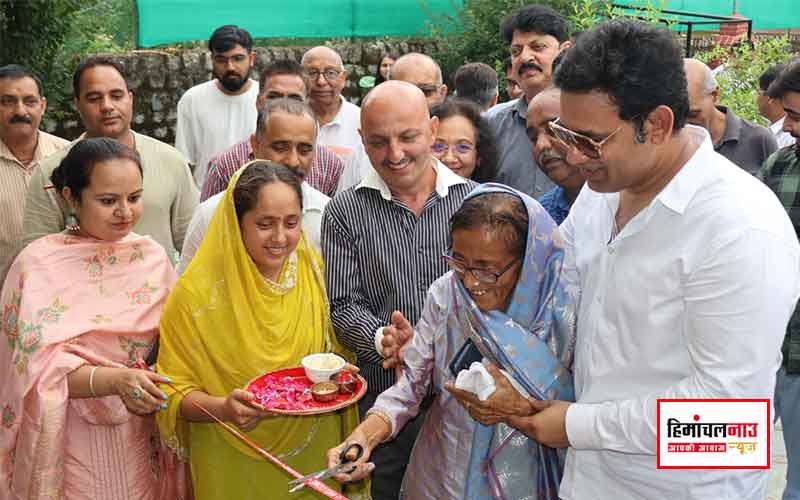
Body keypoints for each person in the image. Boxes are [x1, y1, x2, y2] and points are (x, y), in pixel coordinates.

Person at [509, 19, 799, 499]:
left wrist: (578, 425)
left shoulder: (741, 228)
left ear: (658, 125)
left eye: (591, 140)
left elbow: (729, 427)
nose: (575, 157)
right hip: (588, 481)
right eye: (568, 134)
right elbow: (551, 286)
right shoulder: (603, 192)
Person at [326, 183, 577, 499]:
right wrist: (364, 437)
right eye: (459, 262)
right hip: (444, 474)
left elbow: (586, 406)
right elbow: (410, 387)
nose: (470, 282)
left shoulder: (561, 313)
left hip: (526, 480)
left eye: (487, 270)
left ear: (528, 262)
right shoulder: (446, 294)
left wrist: (521, 408)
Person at [156, 161, 365, 500]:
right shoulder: (196, 296)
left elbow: (331, 353)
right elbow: (172, 390)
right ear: (235, 224)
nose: (281, 238)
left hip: (313, 449)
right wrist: (223, 407)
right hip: (231, 455)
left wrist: (341, 372)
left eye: (292, 223)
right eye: (265, 224)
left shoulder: (313, 272)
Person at [0, 138, 183, 499]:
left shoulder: (152, 258)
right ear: (71, 197)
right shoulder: (38, 264)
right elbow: (31, 370)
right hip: (68, 438)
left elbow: (177, 342)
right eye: (108, 201)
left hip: (142, 435)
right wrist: (114, 379)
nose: (125, 212)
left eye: (134, 197)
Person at [322, 81, 476, 499]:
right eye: (378, 142)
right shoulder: (345, 212)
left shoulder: (475, 205)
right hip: (384, 401)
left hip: (465, 405)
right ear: (361, 141)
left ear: (432, 129)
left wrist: (431, 344)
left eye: (407, 137)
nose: (394, 154)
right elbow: (343, 305)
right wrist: (383, 338)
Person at [22, 56, 198, 265]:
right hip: (77, 294)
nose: (107, 106)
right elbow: (37, 258)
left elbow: (193, 246)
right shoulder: (51, 171)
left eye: (116, 95)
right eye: (94, 98)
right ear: (78, 105)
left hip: (158, 294)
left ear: (130, 99)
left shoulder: (171, 161)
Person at [178, 98, 330, 273]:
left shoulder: (326, 215)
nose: (293, 161)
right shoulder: (210, 215)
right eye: (280, 148)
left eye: (304, 150)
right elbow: (186, 291)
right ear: (255, 145)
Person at [200, 59, 344, 199]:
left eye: (294, 99)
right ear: (258, 102)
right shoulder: (225, 166)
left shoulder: (330, 166)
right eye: (274, 97)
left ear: (308, 104)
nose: (283, 106)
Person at [756, 61, 800, 500]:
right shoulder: (780, 164)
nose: (786, 125)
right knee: (722, 455)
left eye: (797, 116)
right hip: (761, 349)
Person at [486, 5, 571, 198]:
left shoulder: (590, 121)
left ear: (565, 50)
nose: (525, 57)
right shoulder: (491, 124)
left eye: (537, 47)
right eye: (516, 51)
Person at [0, 64, 68, 284]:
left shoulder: (70, 157)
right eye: (8, 102)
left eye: (30, 101)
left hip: (62, 295)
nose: (20, 111)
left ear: (43, 105)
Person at [175, 25, 259, 187]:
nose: (230, 67)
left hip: (256, 202)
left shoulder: (266, 98)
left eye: (238, 58)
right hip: (206, 201)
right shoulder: (192, 99)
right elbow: (184, 162)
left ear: (252, 58)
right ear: (212, 60)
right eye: (221, 60)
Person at [684, 58, 778, 175]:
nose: (684, 123)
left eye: (693, 114)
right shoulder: (669, 140)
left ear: (714, 95)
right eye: (676, 115)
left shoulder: (759, 140)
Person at [301, 46, 372, 192]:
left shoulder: (362, 121)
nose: (321, 82)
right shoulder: (290, 121)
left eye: (331, 73)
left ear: (343, 78)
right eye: (312, 73)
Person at [527, 86, 584, 224]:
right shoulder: (541, 217)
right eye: (533, 138)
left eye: (554, 130)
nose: (541, 145)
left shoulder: (627, 199)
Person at [430, 97, 498, 181]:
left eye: (462, 147)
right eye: (438, 146)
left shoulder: (492, 193)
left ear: (479, 156)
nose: (449, 158)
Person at [758, 63, 796, 149]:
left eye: (758, 93)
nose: (756, 98)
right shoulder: (770, 129)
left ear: (769, 98)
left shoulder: (791, 137)